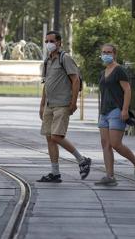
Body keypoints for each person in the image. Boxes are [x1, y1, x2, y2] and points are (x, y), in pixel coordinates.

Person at [38, 31, 91, 183]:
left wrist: (74, 103)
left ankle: (82, 160)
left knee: (57, 136)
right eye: (47, 41)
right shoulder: (47, 61)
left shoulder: (65, 58)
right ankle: (55, 173)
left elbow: (75, 81)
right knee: (50, 138)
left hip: (62, 104)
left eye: (52, 41)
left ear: (59, 43)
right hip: (49, 105)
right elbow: (46, 84)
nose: (49, 43)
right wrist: (42, 105)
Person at [95, 43, 135, 186]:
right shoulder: (103, 72)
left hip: (116, 111)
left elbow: (127, 90)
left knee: (116, 144)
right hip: (104, 112)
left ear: (114, 54)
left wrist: (124, 110)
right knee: (105, 144)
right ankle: (110, 176)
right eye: (104, 52)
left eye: (109, 52)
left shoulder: (119, 70)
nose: (106, 54)